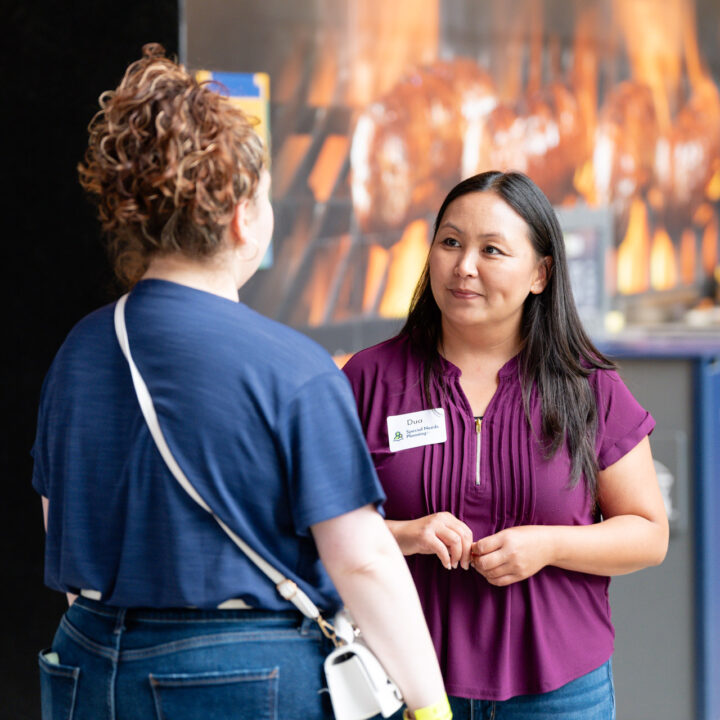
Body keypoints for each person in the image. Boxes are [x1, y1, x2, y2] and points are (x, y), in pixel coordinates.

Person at [31, 44, 452, 720]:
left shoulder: (79, 350)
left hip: (84, 660)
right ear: (242, 218)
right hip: (236, 674)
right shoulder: (292, 367)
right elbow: (363, 561)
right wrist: (432, 708)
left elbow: (60, 521)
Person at [342, 170, 669, 720]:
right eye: (450, 242)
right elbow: (312, 525)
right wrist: (404, 535)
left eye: (491, 249)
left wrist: (548, 546)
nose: (464, 266)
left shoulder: (587, 385)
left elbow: (648, 534)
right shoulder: (370, 378)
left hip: (559, 689)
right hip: (399, 681)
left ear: (540, 274)